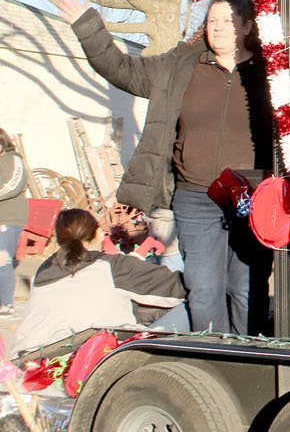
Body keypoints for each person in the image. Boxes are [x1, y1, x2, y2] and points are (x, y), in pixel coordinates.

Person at [59, 0, 274, 334]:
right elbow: (121, 68)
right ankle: (213, 362)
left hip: (253, 199)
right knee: (204, 291)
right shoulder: (180, 65)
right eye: (211, 20)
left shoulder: (272, 71)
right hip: (196, 198)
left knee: (246, 290)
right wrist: (88, 28)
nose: (217, 28)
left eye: (228, 21)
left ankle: (250, 361)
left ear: (248, 25)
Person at [14, 208, 188, 353]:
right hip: (89, 361)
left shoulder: (44, 270)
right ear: (99, 233)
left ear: (59, 240)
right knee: (194, 303)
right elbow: (179, 289)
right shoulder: (112, 266)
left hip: (32, 359)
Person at [0, 129, 28, 316]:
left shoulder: (13, 159)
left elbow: (12, 185)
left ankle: (6, 303)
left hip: (7, 217)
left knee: (2, 259)